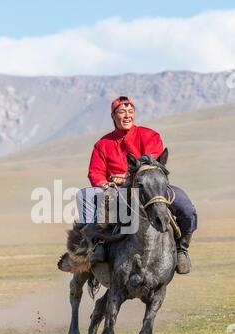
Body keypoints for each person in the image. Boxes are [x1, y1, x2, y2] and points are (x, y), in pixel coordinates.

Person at [76, 96, 197, 274]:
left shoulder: (149, 135)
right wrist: (105, 183)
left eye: (130, 112)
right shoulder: (102, 144)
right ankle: (98, 244)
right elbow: (95, 172)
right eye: (122, 112)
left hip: (151, 187)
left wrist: (125, 176)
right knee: (97, 202)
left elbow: (153, 162)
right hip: (117, 190)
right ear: (113, 116)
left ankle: (182, 249)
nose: (127, 116)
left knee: (187, 208)